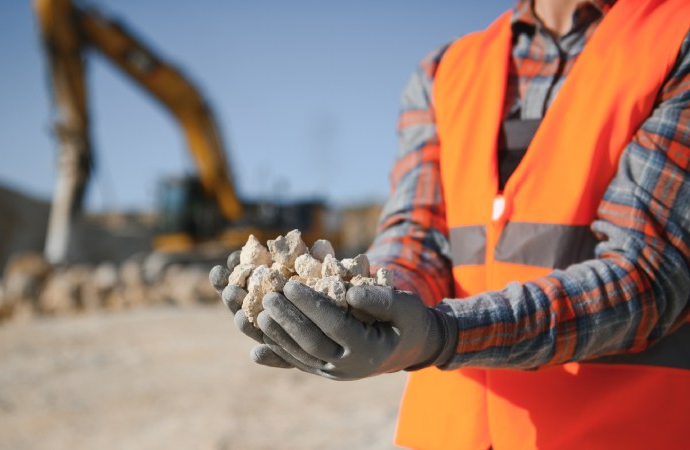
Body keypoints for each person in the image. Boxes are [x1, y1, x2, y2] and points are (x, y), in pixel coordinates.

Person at [210, 0, 690, 448]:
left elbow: (647, 274)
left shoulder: (673, 38)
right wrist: (371, 303)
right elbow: (416, 235)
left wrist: (440, 334)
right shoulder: (445, 71)